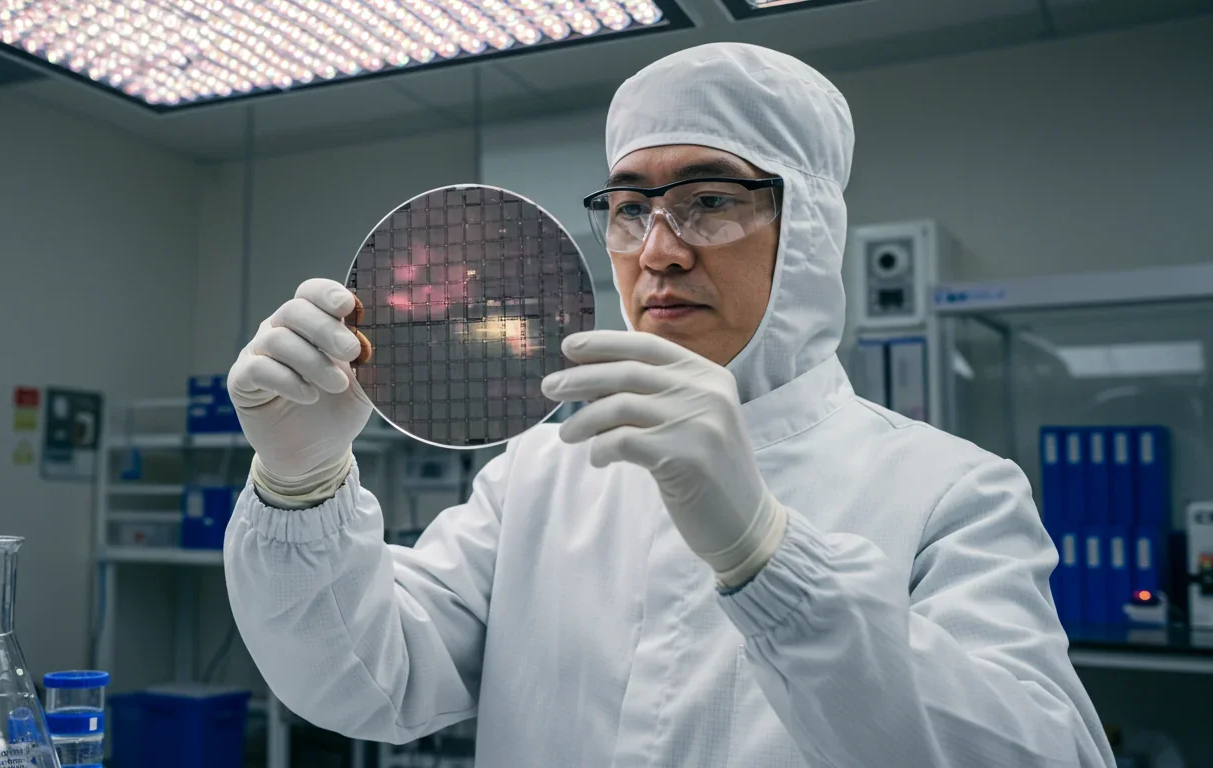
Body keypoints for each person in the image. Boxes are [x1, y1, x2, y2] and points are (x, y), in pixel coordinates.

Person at [224, 43, 1115, 767]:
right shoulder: (542, 471)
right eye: (628, 207)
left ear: (805, 231)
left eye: (710, 201)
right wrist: (301, 483)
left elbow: (1046, 755)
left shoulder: (951, 492)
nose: (658, 251)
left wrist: (767, 552)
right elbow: (370, 684)